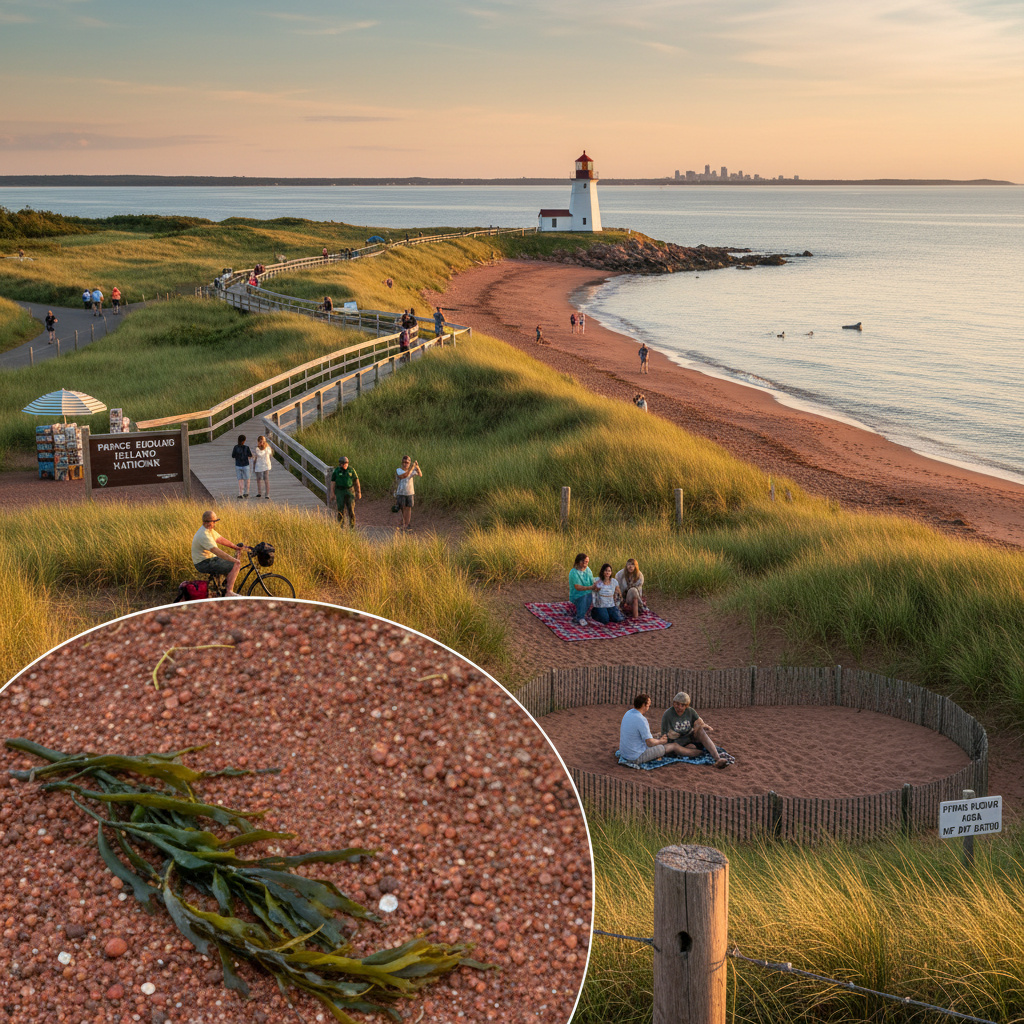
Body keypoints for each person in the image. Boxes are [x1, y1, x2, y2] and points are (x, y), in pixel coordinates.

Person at [618, 694, 695, 765]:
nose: (649, 706)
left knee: (657, 737)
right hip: (635, 757)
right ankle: (699, 753)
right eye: (648, 704)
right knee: (673, 746)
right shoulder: (641, 720)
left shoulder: (628, 713)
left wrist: (658, 739)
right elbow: (650, 743)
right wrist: (661, 741)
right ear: (644, 705)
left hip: (625, 753)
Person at [659, 692, 729, 769]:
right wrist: (670, 735)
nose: (679, 707)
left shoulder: (690, 711)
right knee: (692, 750)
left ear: (686, 706)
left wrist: (700, 726)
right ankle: (697, 752)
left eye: (682, 705)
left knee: (700, 731)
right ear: (673, 703)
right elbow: (663, 734)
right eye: (677, 704)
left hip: (689, 737)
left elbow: (699, 722)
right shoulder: (668, 714)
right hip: (677, 741)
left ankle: (717, 758)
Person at [191, 510, 246, 598]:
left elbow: (221, 539)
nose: (215, 524)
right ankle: (229, 592)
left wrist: (235, 547)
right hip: (203, 563)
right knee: (236, 564)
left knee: (230, 564)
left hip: (210, 559)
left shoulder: (209, 530)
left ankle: (221, 590)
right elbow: (217, 552)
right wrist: (235, 561)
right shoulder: (204, 535)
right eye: (214, 521)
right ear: (207, 522)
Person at [328, 455, 361, 528]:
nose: (345, 465)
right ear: (340, 464)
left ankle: (352, 526)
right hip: (340, 491)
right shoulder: (337, 471)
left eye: (346, 463)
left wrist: (358, 492)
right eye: (343, 464)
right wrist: (332, 493)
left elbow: (356, 481)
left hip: (349, 491)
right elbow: (333, 482)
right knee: (340, 509)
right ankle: (341, 526)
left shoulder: (351, 470)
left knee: (351, 509)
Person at [568, 552, 598, 626]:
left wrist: (596, 585)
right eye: (585, 562)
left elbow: (592, 580)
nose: (586, 564)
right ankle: (580, 617)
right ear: (579, 562)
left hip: (588, 592)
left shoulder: (588, 570)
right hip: (577, 595)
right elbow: (577, 587)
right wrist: (590, 587)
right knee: (585, 596)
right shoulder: (573, 572)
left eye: (587, 562)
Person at [394, 455, 421, 531]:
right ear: (401, 463)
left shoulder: (411, 471)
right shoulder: (399, 470)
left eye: (407, 463)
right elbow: (404, 476)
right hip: (401, 492)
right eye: (404, 462)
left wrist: (417, 466)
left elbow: (420, 474)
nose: (405, 464)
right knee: (402, 508)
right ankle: (402, 523)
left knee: (408, 508)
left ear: (409, 463)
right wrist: (412, 468)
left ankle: (407, 524)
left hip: (410, 492)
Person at [231, 434, 253, 499]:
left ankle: (240, 493)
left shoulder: (235, 447)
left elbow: (233, 456)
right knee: (247, 479)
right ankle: (247, 492)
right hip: (245, 464)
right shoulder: (246, 447)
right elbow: (250, 455)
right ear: (244, 441)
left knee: (240, 480)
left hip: (238, 465)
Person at [252, 435, 273, 499]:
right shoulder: (257, 449)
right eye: (260, 441)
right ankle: (259, 492)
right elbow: (258, 455)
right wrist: (254, 465)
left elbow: (266, 454)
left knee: (266, 479)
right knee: (258, 479)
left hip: (266, 465)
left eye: (263, 441)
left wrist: (265, 447)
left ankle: (267, 494)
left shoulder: (268, 448)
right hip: (258, 465)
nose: (262, 443)